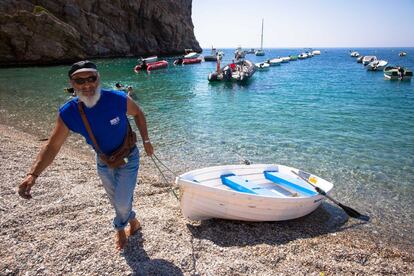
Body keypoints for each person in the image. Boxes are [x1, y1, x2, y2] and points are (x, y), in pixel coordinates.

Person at [17, 60, 154, 251]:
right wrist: (33, 174)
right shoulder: (69, 112)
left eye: (92, 78)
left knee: (122, 201)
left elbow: (138, 114)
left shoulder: (118, 99)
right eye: (79, 81)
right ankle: (133, 222)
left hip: (128, 157)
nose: (87, 84)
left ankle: (119, 229)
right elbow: (53, 146)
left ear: (99, 79)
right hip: (104, 161)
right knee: (116, 200)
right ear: (72, 84)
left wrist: (146, 141)